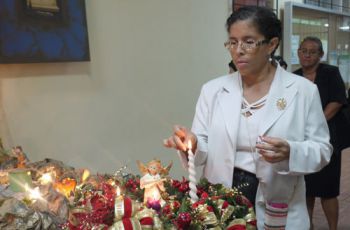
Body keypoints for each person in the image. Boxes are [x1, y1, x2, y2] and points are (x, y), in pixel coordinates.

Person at [163, 6, 332, 229]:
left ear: (271, 44)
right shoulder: (213, 90)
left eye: (248, 42)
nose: (238, 50)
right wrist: (192, 144)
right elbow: (202, 141)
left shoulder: (303, 91)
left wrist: (291, 152)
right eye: (232, 42)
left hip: (278, 202)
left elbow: (322, 149)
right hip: (223, 201)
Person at [294, 36, 348, 230]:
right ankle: (308, 226)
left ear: (321, 55)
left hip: (328, 138)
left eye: (312, 51)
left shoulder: (330, 73)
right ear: (298, 52)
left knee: (328, 190)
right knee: (305, 189)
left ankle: (333, 227)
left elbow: (337, 101)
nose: (307, 55)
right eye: (303, 51)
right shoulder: (295, 76)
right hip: (303, 140)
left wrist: (316, 123)